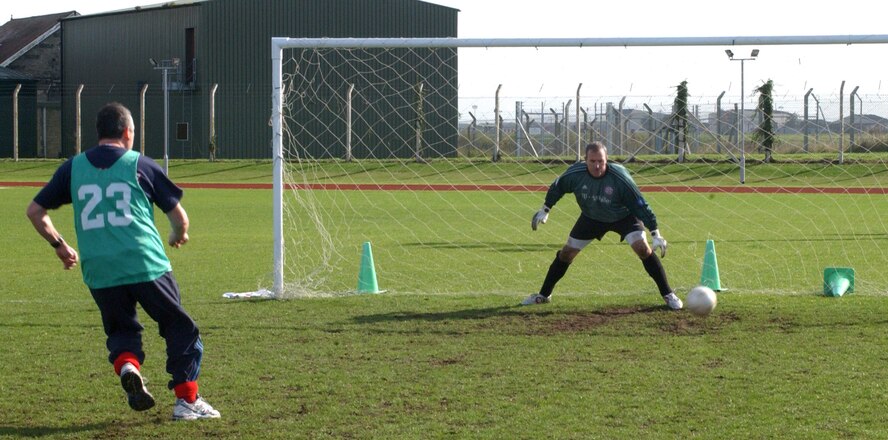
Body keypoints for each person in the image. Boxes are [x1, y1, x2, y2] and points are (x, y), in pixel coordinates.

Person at [26, 102, 221, 420]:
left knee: (121, 330)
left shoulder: (72, 168)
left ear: (98, 133)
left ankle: (128, 364)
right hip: (144, 263)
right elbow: (179, 219)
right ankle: (187, 401)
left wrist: (60, 246)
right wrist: (177, 235)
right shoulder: (140, 164)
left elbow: (35, 212)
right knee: (178, 327)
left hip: (99, 268)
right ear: (128, 132)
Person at [523, 141, 683, 310]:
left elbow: (640, 205)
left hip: (624, 216)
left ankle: (668, 294)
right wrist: (546, 209)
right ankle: (544, 295)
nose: (597, 165)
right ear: (585, 160)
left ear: (607, 160)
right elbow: (558, 187)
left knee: (642, 248)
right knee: (567, 253)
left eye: (601, 161)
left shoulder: (620, 179)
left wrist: (655, 233)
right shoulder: (575, 174)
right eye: (592, 161)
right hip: (591, 217)